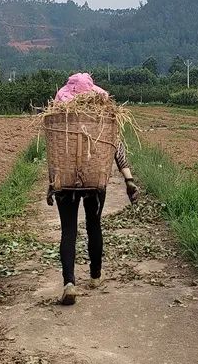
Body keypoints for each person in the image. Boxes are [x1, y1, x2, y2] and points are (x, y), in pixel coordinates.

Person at [46, 73, 139, 305]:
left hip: (65, 183)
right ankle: (96, 276)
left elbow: (55, 154)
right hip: (94, 181)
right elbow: (115, 148)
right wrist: (128, 180)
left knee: (68, 232)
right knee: (93, 225)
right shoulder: (102, 120)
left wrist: (51, 184)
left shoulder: (60, 121)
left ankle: (69, 282)